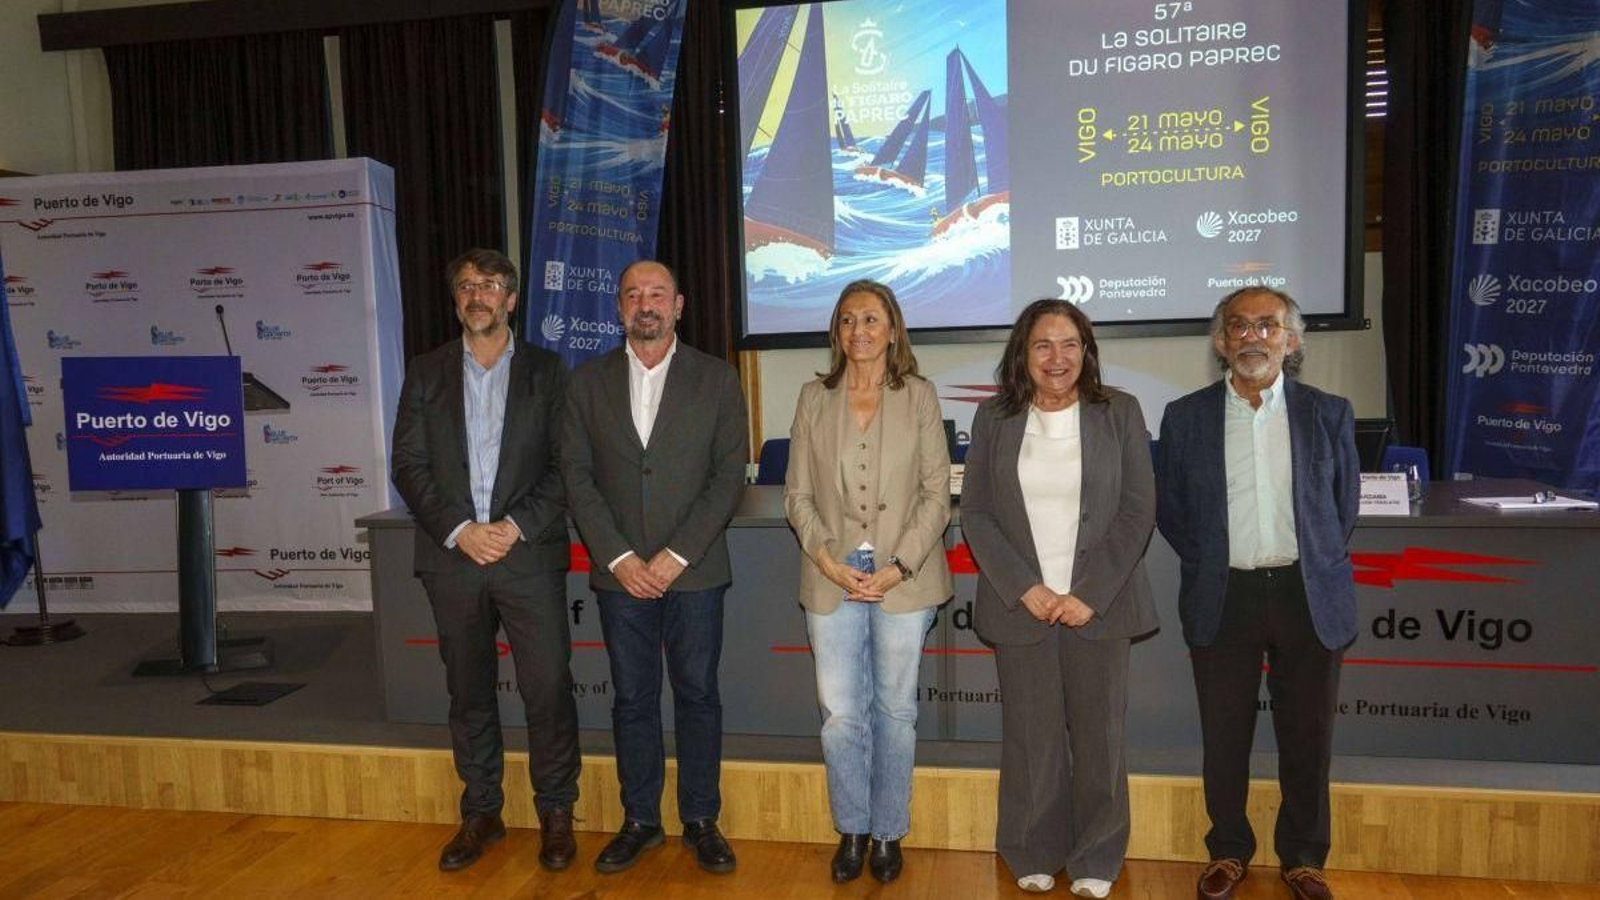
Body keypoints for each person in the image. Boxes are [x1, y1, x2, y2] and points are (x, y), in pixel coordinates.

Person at [1156, 287, 1359, 900]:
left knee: (1308, 736)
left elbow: (1340, 509)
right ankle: (1228, 850)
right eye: (1238, 327)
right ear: (1221, 342)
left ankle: (1302, 857)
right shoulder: (1185, 416)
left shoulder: (1329, 412)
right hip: (1226, 594)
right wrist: (1215, 556)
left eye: (1267, 326)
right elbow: (1173, 510)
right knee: (1224, 737)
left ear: (1290, 342)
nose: (1253, 337)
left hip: (1306, 593)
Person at [960, 299, 1158, 898]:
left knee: (1100, 739)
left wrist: (1087, 595)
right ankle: (1031, 846)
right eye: (1043, 344)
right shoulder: (995, 417)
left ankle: (1098, 855)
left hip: (1100, 606)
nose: (1057, 357)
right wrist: (1029, 589)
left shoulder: (1118, 412)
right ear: (1023, 352)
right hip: (1024, 604)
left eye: (1069, 343)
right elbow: (978, 513)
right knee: (1031, 738)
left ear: (1086, 351)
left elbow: (1136, 510)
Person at [390, 248, 579, 873]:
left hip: (526, 555)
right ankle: (482, 811)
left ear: (512, 300)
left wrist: (512, 527)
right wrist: (460, 530)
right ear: (455, 299)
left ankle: (555, 811)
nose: (478, 295)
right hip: (454, 559)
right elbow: (408, 465)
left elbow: (566, 467)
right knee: (467, 690)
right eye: (467, 284)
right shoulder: (425, 372)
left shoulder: (551, 373)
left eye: (491, 285)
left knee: (548, 687)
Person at [561, 259, 748, 875]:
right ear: (618, 309)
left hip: (693, 573)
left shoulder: (718, 379)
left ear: (679, 304)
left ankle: (700, 820)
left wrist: (674, 555)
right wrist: (618, 558)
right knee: (633, 699)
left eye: (657, 293)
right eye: (633, 294)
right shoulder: (584, 383)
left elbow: (727, 478)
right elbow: (577, 479)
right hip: (620, 577)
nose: (646, 303)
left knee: (698, 696)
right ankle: (640, 819)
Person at [783, 280, 954, 884]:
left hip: (902, 582)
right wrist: (826, 558)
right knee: (840, 715)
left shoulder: (921, 397)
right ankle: (852, 828)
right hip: (829, 578)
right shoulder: (811, 398)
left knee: (895, 712)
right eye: (849, 319)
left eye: (872, 319)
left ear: (893, 329)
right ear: (837, 331)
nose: (860, 330)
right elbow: (797, 493)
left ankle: (888, 832)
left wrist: (898, 566)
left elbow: (938, 494)